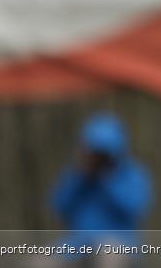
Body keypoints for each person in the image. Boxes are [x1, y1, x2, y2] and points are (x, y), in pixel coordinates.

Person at [49, 112, 153, 267]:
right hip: (78, 244)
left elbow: (136, 208)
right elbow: (59, 206)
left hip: (119, 244)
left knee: (107, 257)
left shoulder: (132, 175)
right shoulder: (78, 175)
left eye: (102, 154)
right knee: (41, 262)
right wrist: (79, 178)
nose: (97, 159)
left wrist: (107, 180)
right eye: (94, 153)